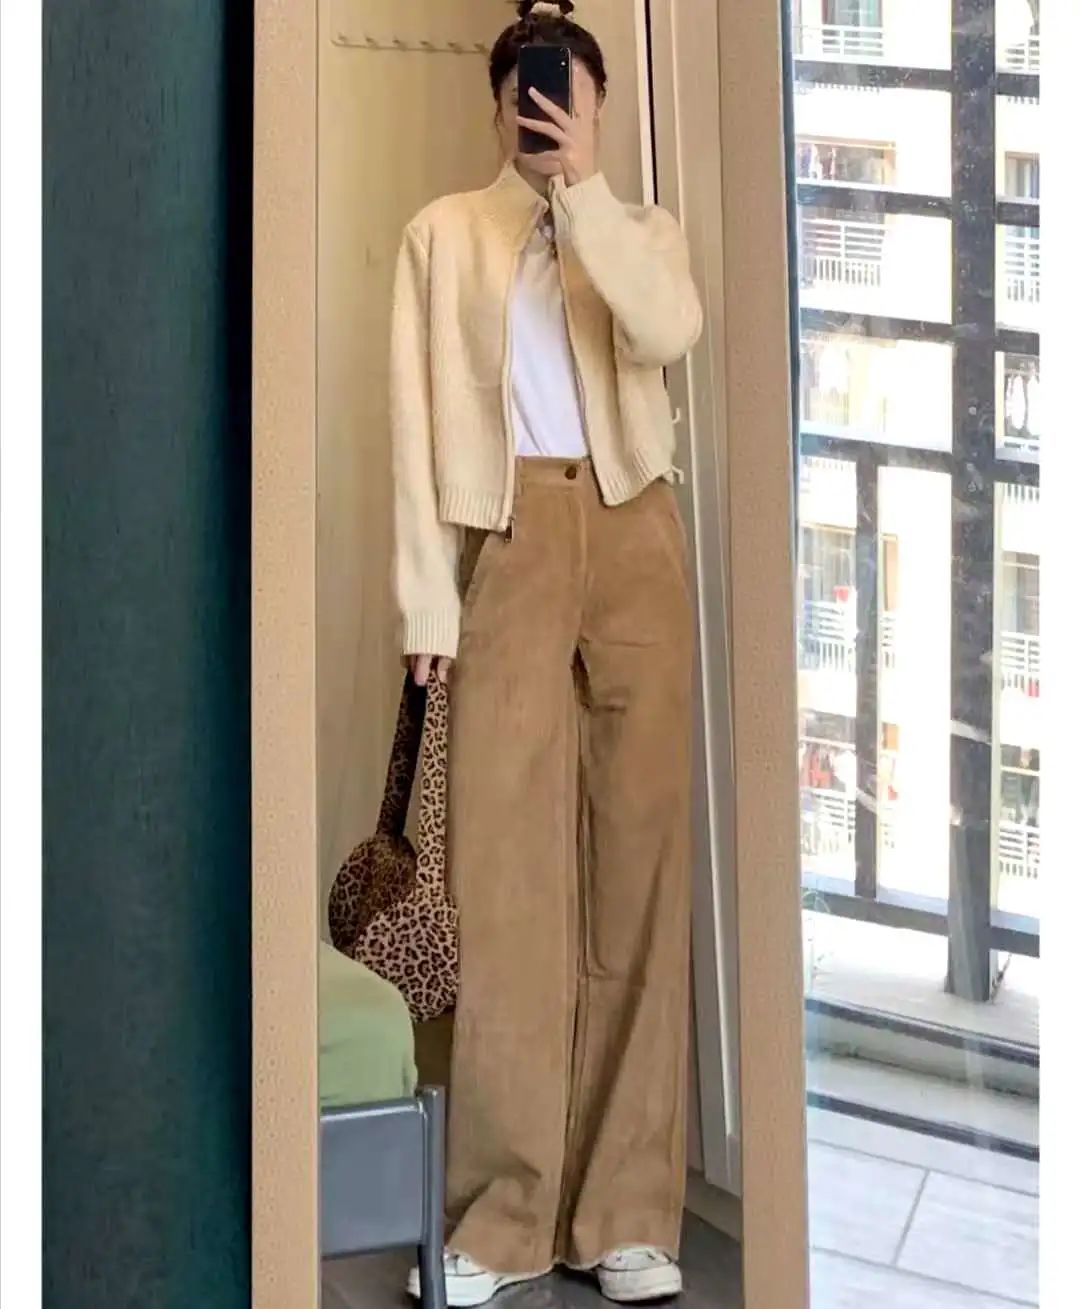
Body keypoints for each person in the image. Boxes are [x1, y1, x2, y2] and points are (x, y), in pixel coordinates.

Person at [393, 2, 702, 1302]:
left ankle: (626, 1215)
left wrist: (585, 197)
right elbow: (414, 428)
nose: (544, 106)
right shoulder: (443, 236)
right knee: (507, 886)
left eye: (566, 88)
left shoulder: (641, 233)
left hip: (636, 534)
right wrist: (426, 608)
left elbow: (667, 335)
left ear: (598, 104)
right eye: (527, 86)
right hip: (509, 539)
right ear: (497, 101)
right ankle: (500, 1218)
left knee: (640, 873)